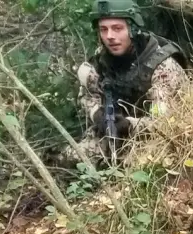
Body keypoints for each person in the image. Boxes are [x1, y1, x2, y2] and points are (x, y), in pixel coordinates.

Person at [76, 0, 186, 157]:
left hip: (158, 140)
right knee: (72, 157)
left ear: (133, 29)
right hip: (112, 136)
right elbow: (87, 97)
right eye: (103, 29)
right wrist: (97, 115)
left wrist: (128, 125)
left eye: (117, 28)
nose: (110, 36)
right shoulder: (99, 64)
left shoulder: (163, 68)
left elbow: (169, 123)